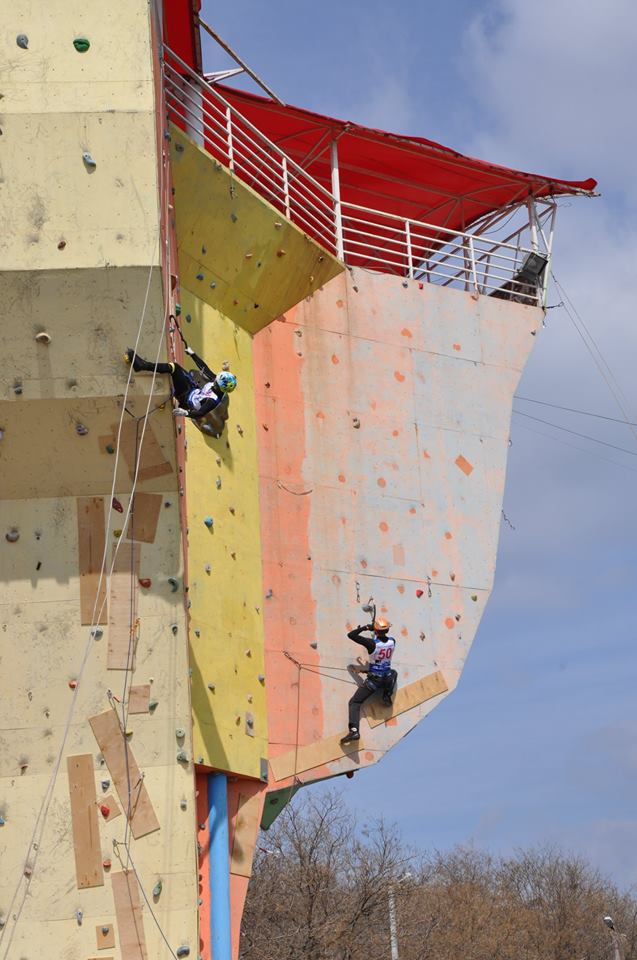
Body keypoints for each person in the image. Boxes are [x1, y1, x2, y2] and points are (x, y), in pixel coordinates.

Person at [124, 346, 237, 419]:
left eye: (216, 382)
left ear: (221, 388)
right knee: (175, 367)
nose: (214, 380)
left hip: (186, 398)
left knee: (174, 368)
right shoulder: (217, 382)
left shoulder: (213, 400)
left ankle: (142, 366)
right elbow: (205, 369)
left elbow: (201, 413)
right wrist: (193, 354)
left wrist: (186, 413)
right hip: (193, 389)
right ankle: (143, 365)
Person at [340, 617, 397, 745]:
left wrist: (366, 627)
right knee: (394, 673)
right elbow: (382, 662)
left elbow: (352, 635)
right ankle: (387, 695)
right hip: (387, 678)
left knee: (354, 702)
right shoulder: (392, 641)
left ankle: (354, 731)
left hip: (375, 681)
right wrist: (365, 670)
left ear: (375, 630)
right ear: (387, 630)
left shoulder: (372, 644)